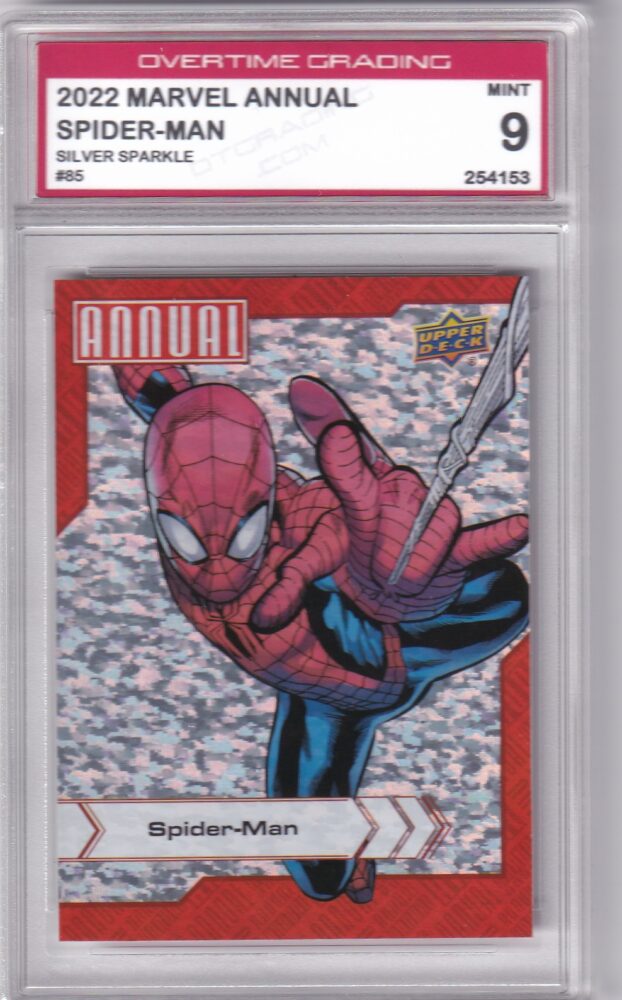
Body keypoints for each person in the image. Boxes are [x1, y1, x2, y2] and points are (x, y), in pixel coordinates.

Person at [113, 364, 529, 903]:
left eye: (243, 537)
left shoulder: (300, 516)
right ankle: (335, 871)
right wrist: (170, 399)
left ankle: (397, 556)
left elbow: (322, 520)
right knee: (317, 863)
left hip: (363, 651)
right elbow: (186, 433)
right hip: (319, 678)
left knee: (503, 591)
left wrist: (370, 547)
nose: (218, 572)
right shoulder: (209, 490)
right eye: (187, 542)